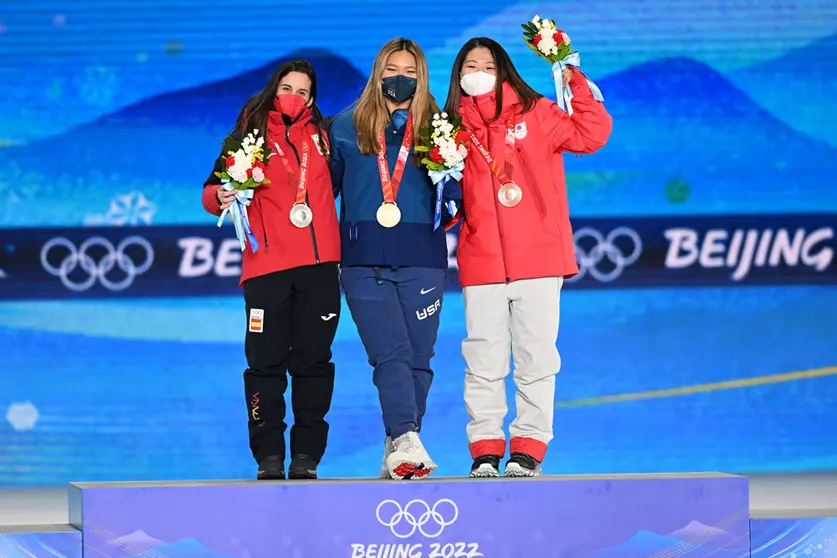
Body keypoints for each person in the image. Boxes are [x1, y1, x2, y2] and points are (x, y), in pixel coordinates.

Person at [443, 37, 612, 477]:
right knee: (483, 359)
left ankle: (529, 448)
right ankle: (484, 447)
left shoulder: (537, 113)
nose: (478, 72)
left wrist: (570, 74)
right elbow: (442, 198)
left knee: (536, 357)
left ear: (503, 71)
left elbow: (592, 135)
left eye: (488, 65)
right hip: (482, 260)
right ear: (458, 76)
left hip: (538, 256)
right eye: (470, 66)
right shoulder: (449, 130)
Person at [201, 60, 341, 480]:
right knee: (265, 365)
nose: (293, 97)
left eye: (302, 91)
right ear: (272, 88)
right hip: (267, 270)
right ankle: (268, 455)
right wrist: (221, 195)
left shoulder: (327, 137)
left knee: (314, 363)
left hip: (319, 268)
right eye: (287, 87)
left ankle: (306, 456)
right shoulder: (248, 138)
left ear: (312, 99)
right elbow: (211, 191)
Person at [329, 38, 460, 480]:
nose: (398, 77)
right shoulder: (345, 126)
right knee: (391, 352)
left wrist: (454, 189)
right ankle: (405, 436)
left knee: (420, 357)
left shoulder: (439, 129)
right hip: (363, 259)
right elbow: (318, 192)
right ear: (377, 72)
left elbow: (456, 196)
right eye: (390, 68)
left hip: (422, 255)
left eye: (408, 69)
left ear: (420, 76)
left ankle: (398, 446)